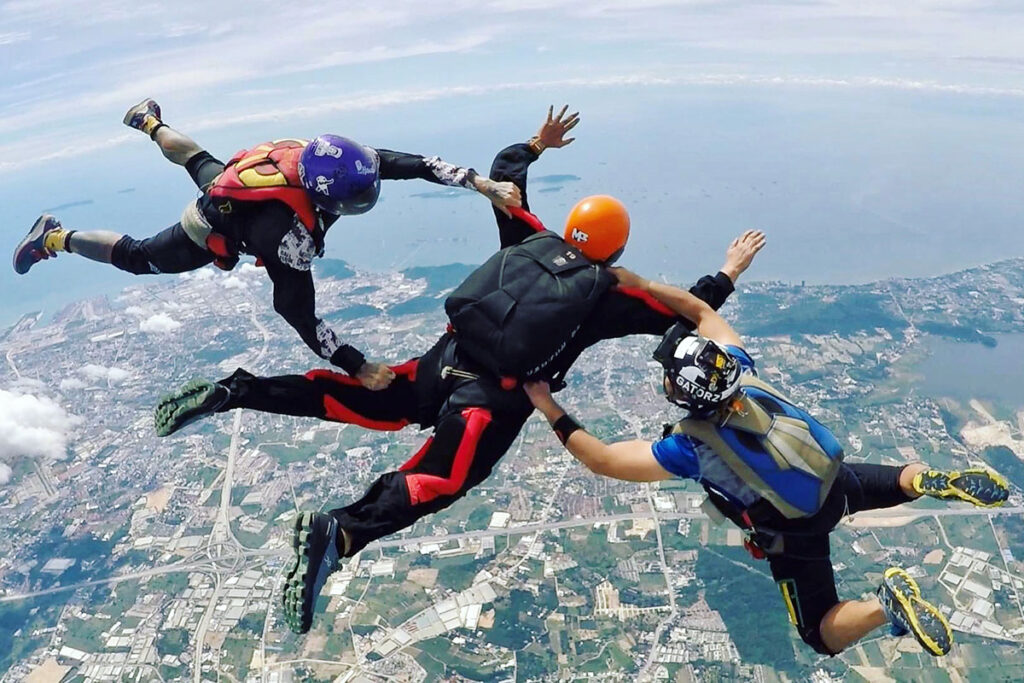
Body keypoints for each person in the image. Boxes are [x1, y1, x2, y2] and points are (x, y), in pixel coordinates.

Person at [152, 105, 766, 634]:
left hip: (443, 361)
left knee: (359, 399)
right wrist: (730, 271)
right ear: (617, 251)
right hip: (492, 400)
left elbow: (504, 174)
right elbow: (691, 308)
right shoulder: (610, 293)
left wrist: (536, 143)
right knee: (441, 478)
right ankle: (338, 534)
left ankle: (238, 392)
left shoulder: (529, 236)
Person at [522, 273, 1011, 658]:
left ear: (683, 395)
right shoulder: (745, 374)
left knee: (820, 634)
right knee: (893, 482)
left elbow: (602, 459)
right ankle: (932, 479)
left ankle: (885, 606)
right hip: (831, 480)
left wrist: (547, 405)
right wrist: (638, 282)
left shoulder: (693, 447)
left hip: (795, 530)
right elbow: (699, 311)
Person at [12, 99, 521, 389]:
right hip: (212, 223)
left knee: (197, 159)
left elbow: (411, 164)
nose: (371, 192)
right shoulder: (286, 238)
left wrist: (480, 183)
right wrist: (356, 364)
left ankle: (149, 121)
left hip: (244, 178)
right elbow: (296, 310)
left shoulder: (326, 157)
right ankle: (55, 237)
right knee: (139, 257)